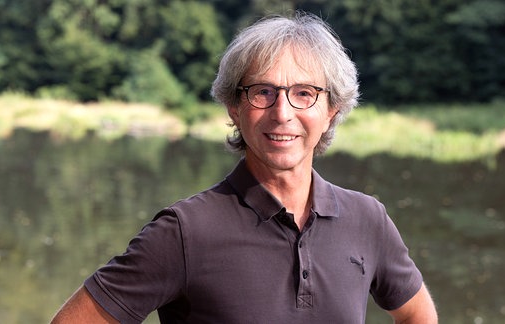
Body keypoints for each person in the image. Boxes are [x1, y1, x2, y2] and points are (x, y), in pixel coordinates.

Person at [51, 12, 438, 324]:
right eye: (263, 92)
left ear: (331, 110)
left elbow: (416, 314)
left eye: (304, 93)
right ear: (234, 107)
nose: (282, 113)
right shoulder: (185, 231)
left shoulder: (368, 219)